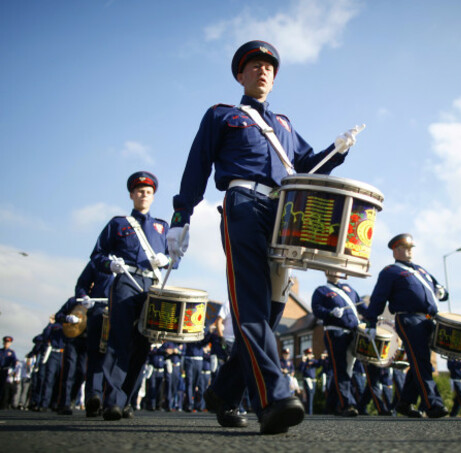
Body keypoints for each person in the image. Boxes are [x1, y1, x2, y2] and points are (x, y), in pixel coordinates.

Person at [167, 40, 361, 435]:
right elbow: (197, 165)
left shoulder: (285, 125)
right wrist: (180, 215)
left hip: (284, 215)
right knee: (251, 305)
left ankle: (224, 391)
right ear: (241, 75)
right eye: (254, 65)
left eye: (269, 67)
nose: (263, 71)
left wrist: (337, 150)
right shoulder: (223, 115)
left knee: (272, 313)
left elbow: (309, 167)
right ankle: (273, 399)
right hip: (243, 205)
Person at [91, 171, 170, 421]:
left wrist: (167, 259)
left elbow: (173, 255)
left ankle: (125, 400)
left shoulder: (162, 226)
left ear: (153, 196)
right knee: (119, 339)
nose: (143, 195)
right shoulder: (118, 223)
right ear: (131, 195)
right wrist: (109, 265)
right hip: (127, 280)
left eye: (147, 192)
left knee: (143, 344)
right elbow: (97, 255)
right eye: (139, 191)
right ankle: (112, 401)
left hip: (152, 286)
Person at [363, 233, 449, 419]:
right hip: (409, 319)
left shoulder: (421, 271)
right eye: (405, 247)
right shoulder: (390, 271)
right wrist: (370, 321)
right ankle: (432, 403)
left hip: (428, 319)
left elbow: (441, 291)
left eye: (411, 247)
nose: (410, 250)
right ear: (395, 250)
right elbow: (379, 298)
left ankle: (405, 402)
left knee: (420, 361)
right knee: (421, 361)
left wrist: (442, 291)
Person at [311, 276, 363, 417]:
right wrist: (329, 312)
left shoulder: (349, 289)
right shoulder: (321, 290)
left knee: (346, 369)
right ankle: (347, 404)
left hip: (352, 333)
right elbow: (316, 309)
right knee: (340, 367)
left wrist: (375, 318)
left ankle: (331, 405)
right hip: (335, 331)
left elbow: (361, 306)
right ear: (326, 271)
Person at [75, 260, 114, 417]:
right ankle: (93, 397)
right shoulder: (97, 262)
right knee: (95, 355)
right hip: (98, 309)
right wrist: (84, 296)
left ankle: (112, 401)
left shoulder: (134, 259)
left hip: (121, 311)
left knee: (115, 358)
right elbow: (82, 284)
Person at [54, 297, 90, 415]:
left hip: (87, 341)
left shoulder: (98, 300)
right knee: (69, 370)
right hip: (72, 339)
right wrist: (66, 318)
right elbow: (58, 315)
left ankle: (72, 398)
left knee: (81, 372)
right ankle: (64, 403)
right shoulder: (74, 300)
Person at [299, 348, 320, 415]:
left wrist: (321, 359)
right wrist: (303, 362)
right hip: (307, 380)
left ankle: (310, 412)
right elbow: (301, 370)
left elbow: (318, 364)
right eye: (308, 354)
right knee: (309, 396)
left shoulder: (313, 361)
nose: (309, 355)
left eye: (310, 354)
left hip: (313, 380)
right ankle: (309, 412)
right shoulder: (304, 362)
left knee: (312, 395)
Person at [0, 336, 18, 409]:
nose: (6, 344)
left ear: (10, 343)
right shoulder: (0, 351)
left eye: (8, 343)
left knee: (4, 388)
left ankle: (3, 404)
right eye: (5, 342)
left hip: (6, 371)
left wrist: (12, 370)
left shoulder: (11, 352)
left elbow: (14, 362)